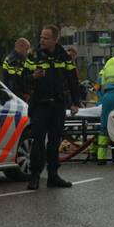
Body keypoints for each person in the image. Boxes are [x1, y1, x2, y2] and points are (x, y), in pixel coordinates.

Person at [24, 24, 80, 190]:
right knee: (38, 142)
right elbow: (23, 78)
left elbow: (72, 79)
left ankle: (53, 175)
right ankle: (35, 176)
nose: (42, 40)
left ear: (55, 40)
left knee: (55, 142)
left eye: (46, 38)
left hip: (57, 104)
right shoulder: (34, 55)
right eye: (41, 37)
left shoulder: (64, 56)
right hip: (40, 104)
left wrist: (75, 102)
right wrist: (33, 77)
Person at [2, 37, 31, 102]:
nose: (28, 52)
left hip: (11, 93)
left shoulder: (9, 58)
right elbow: (15, 80)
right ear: (21, 47)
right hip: (16, 96)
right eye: (27, 49)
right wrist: (23, 94)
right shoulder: (16, 61)